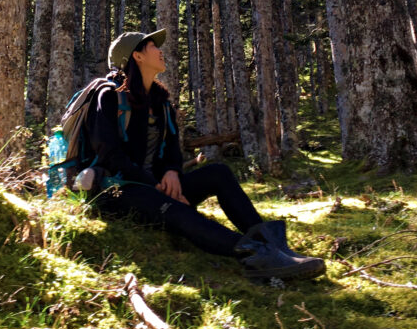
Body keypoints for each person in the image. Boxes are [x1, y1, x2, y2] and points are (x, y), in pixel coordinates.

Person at [83, 29, 325, 280]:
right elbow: (110, 155)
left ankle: (274, 246)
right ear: (137, 56)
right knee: (178, 210)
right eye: (153, 46)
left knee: (218, 173)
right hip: (118, 190)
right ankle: (257, 256)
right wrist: (156, 186)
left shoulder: (160, 101)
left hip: (157, 187)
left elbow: (172, 149)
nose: (160, 51)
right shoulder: (109, 97)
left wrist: (172, 172)